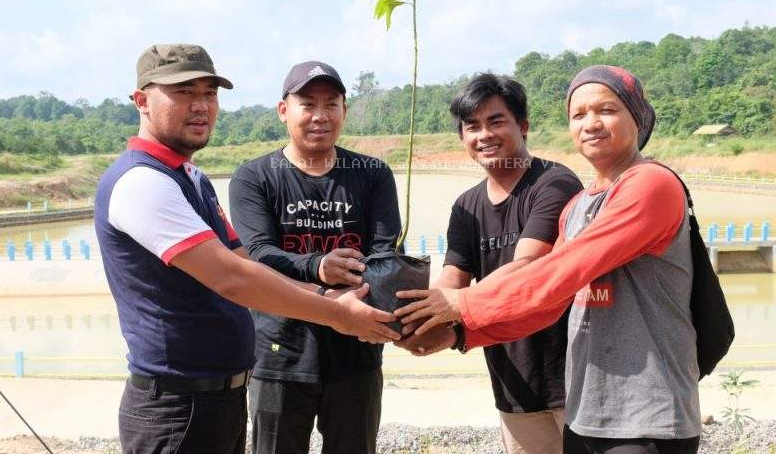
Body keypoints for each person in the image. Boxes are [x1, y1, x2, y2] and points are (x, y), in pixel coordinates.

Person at [95, 45, 399, 454]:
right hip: (178, 402)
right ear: (142, 101)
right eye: (184, 92)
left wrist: (329, 298)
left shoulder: (191, 178)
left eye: (209, 93)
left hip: (220, 394)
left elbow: (241, 261)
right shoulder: (142, 182)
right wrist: (338, 312)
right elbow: (234, 276)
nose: (201, 105)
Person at [396, 65, 702, 454]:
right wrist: (460, 334)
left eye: (606, 110)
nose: (591, 123)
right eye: (578, 115)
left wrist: (462, 303)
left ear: (637, 117)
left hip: (646, 414)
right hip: (588, 410)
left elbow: (557, 272)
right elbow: (553, 303)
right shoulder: (578, 205)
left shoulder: (650, 184)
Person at [397, 73, 582, 454]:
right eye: (472, 126)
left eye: (496, 121)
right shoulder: (466, 206)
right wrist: (414, 320)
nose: (484, 135)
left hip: (574, 374)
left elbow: (528, 267)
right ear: (462, 137)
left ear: (523, 126)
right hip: (511, 375)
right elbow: (452, 277)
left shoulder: (555, 184)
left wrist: (452, 308)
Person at [228, 60, 401, 454]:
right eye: (307, 104)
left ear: (345, 110)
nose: (320, 116)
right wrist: (317, 265)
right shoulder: (254, 177)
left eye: (331, 104)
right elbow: (258, 255)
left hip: (357, 345)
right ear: (283, 110)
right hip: (281, 352)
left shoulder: (372, 173)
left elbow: (384, 252)